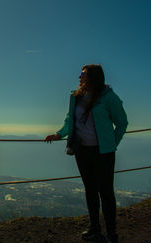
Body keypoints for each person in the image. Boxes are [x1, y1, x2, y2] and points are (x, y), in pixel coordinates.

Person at [45, 64, 128, 243]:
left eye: (83, 75)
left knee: (105, 192)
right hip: (81, 151)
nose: (79, 77)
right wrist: (59, 134)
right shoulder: (76, 97)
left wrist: (112, 144)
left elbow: (122, 123)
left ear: (93, 77)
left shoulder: (109, 98)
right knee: (90, 190)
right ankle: (95, 229)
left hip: (103, 153)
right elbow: (70, 120)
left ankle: (112, 233)